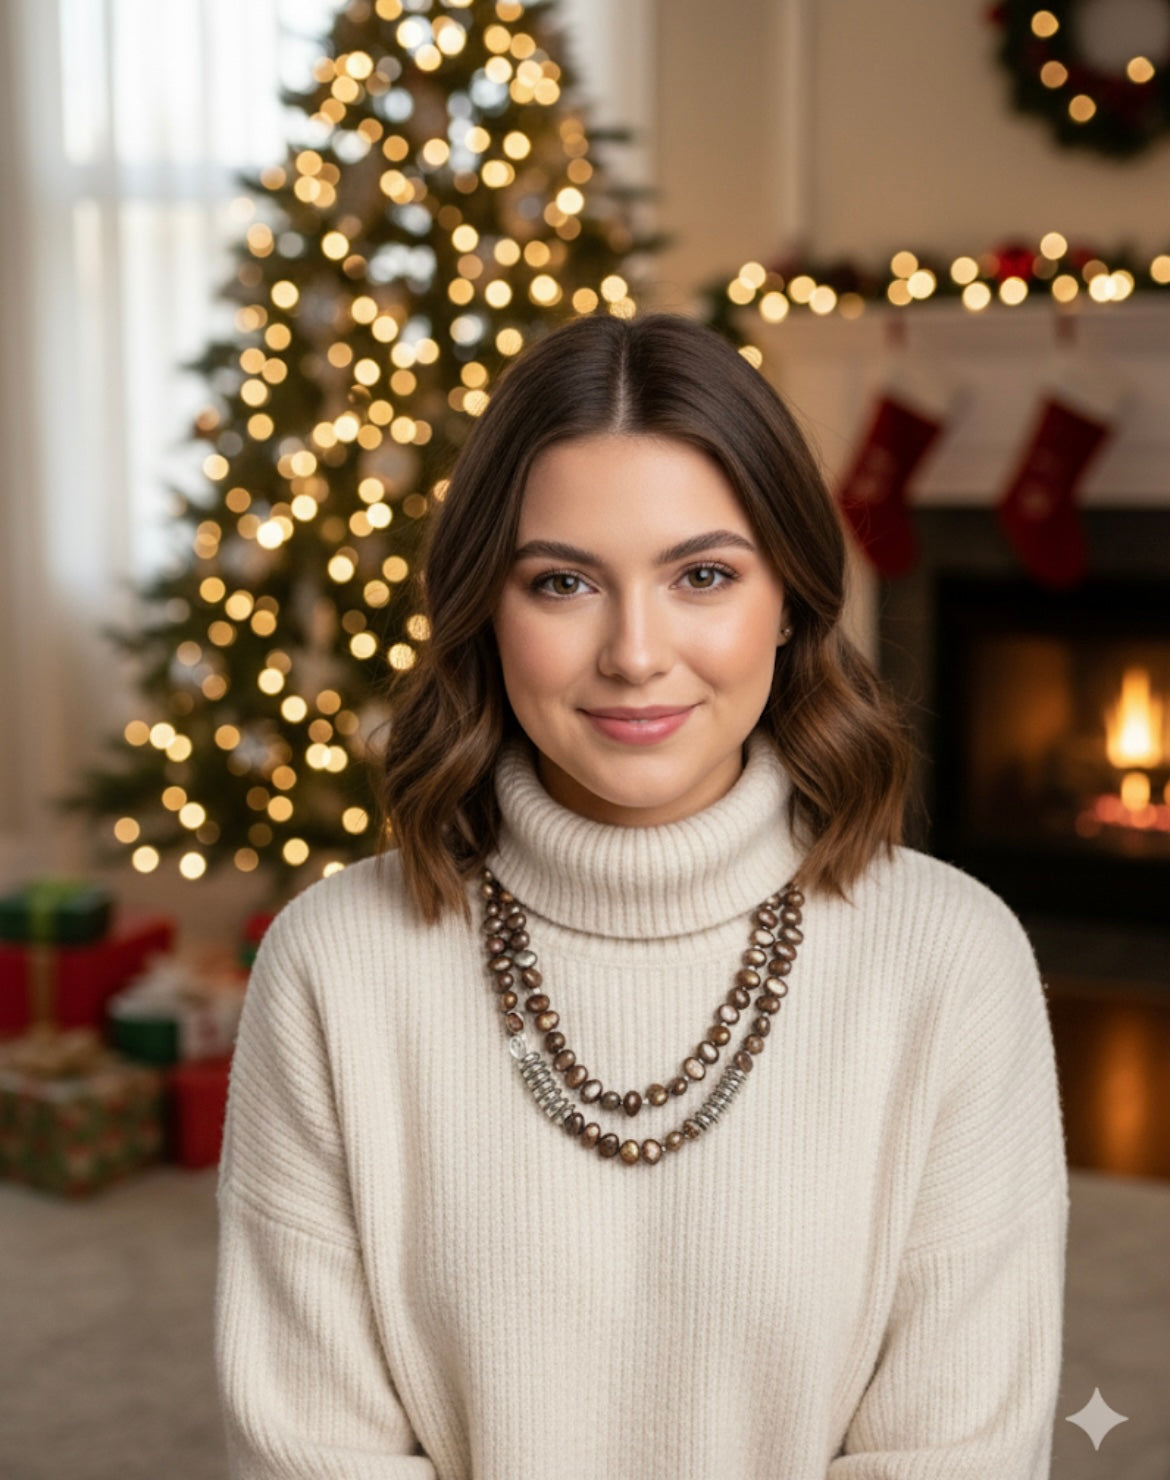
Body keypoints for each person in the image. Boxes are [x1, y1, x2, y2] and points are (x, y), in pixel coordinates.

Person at [214, 311, 1069, 1479]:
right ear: (486, 608)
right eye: (563, 582)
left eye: (703, 575)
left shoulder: (953, 959)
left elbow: (954, 1451)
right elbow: (305, 1450)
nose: (634, 652)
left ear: (791, 600)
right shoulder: (333, 964)